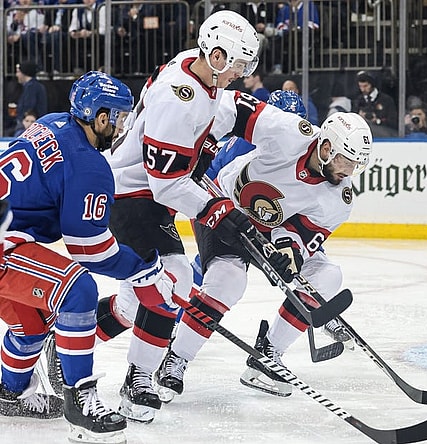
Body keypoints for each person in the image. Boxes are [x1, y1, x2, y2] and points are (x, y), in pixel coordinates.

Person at [94, 10, 291, 424]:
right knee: (173, 280)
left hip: (148, 193)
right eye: (238, 63)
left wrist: (299, 131)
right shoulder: (178, 97)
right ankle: (138, 380)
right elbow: (166, 183)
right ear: (217, 56)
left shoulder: (197, 68)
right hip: (130, 192)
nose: (242, 72)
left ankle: (67, 340)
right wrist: (220, 212)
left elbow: (227, 114)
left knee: (137, 300)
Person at [152, 88, 372, 400]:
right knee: (227, 281)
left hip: (271, 224)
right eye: (345, 161)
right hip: (223, 204)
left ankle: (267, 357)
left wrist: (290, 250)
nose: (349, 172)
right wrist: (204, 140)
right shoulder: (290, 133)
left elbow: (302, 231)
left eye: (355, 165)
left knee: (327, 276)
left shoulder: (340, 197)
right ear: (325, 147)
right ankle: (177, 358)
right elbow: (234, 108)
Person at [0, 72, 176, 444]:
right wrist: (143, 269)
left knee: (33, 321)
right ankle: (79, 400)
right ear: (100, 117)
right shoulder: (88, 163)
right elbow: (89, 250)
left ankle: (8, 391)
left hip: (8, 237)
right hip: (4, 244)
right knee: (76, 290)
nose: (123, 125)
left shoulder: (53, 123)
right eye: (120, 116)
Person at [352, 70, 397, 137]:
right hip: (362, 136)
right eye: (360, 86)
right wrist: (359, 118)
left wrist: (378, 121)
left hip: (384, 136)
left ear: (372, 84)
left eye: (365, 86)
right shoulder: (357, 101)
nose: (363, 89)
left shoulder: (386, 100)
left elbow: (393, 122)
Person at [13, 61, 47, 136]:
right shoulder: (32, 86)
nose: (17, 75)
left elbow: (28, 107)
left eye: (18, 72)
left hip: (31, 129)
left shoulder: (31, 87)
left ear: (24, 72)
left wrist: (23, 119)